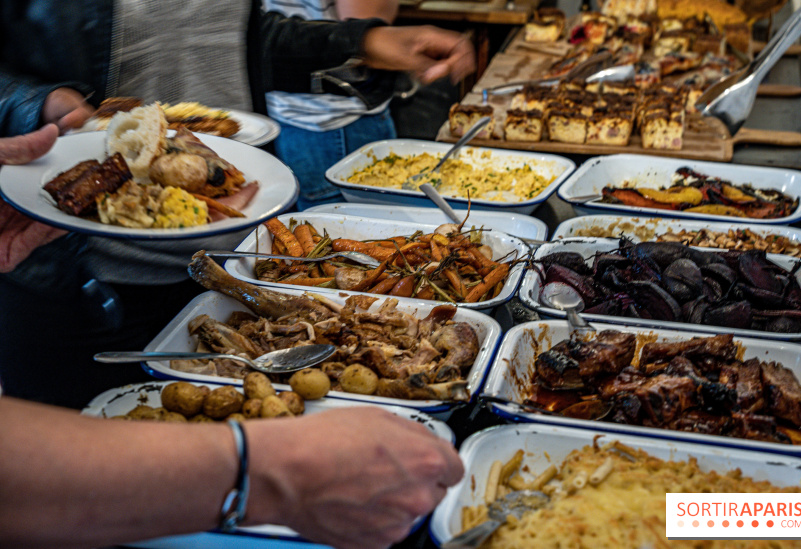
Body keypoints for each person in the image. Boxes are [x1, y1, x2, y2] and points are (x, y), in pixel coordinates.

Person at [0, 2, 474, 408]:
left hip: (232, 267)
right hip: (82, 284)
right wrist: (36, 104)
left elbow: (220, 41)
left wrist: (362, 42)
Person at [262, 0, 401, 209]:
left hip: (285, 110)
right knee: (360, 234)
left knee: (315, 232)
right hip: (339, 120)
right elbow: (363, 28)